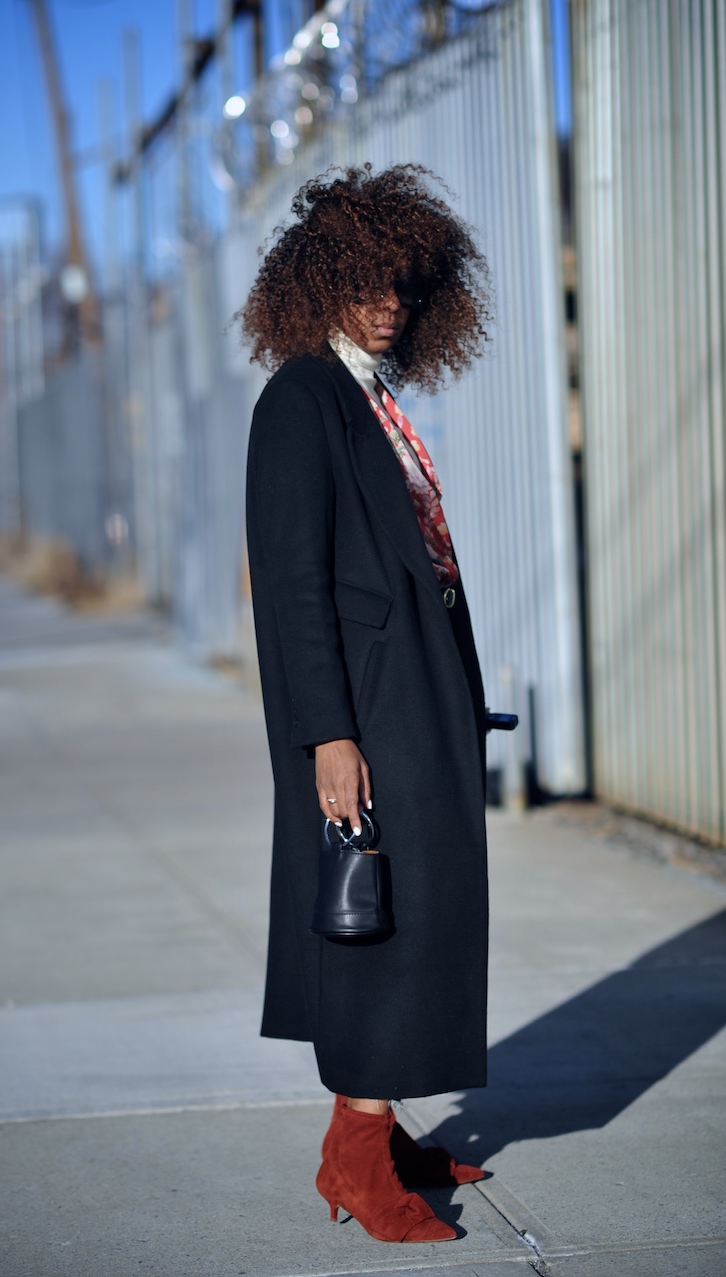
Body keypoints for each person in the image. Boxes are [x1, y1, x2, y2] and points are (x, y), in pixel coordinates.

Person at [241, 164, 492, 1245]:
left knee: (429, 913)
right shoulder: (301, 396)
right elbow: (292, 580)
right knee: (383, 920)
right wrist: (326, 732)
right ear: (316, 281)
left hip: (416, 693)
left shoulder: (368, 392)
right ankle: (354, 1150)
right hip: (366, 706)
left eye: (402, 281)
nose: (387, 299)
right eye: (364, 279)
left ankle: (385, 1133)